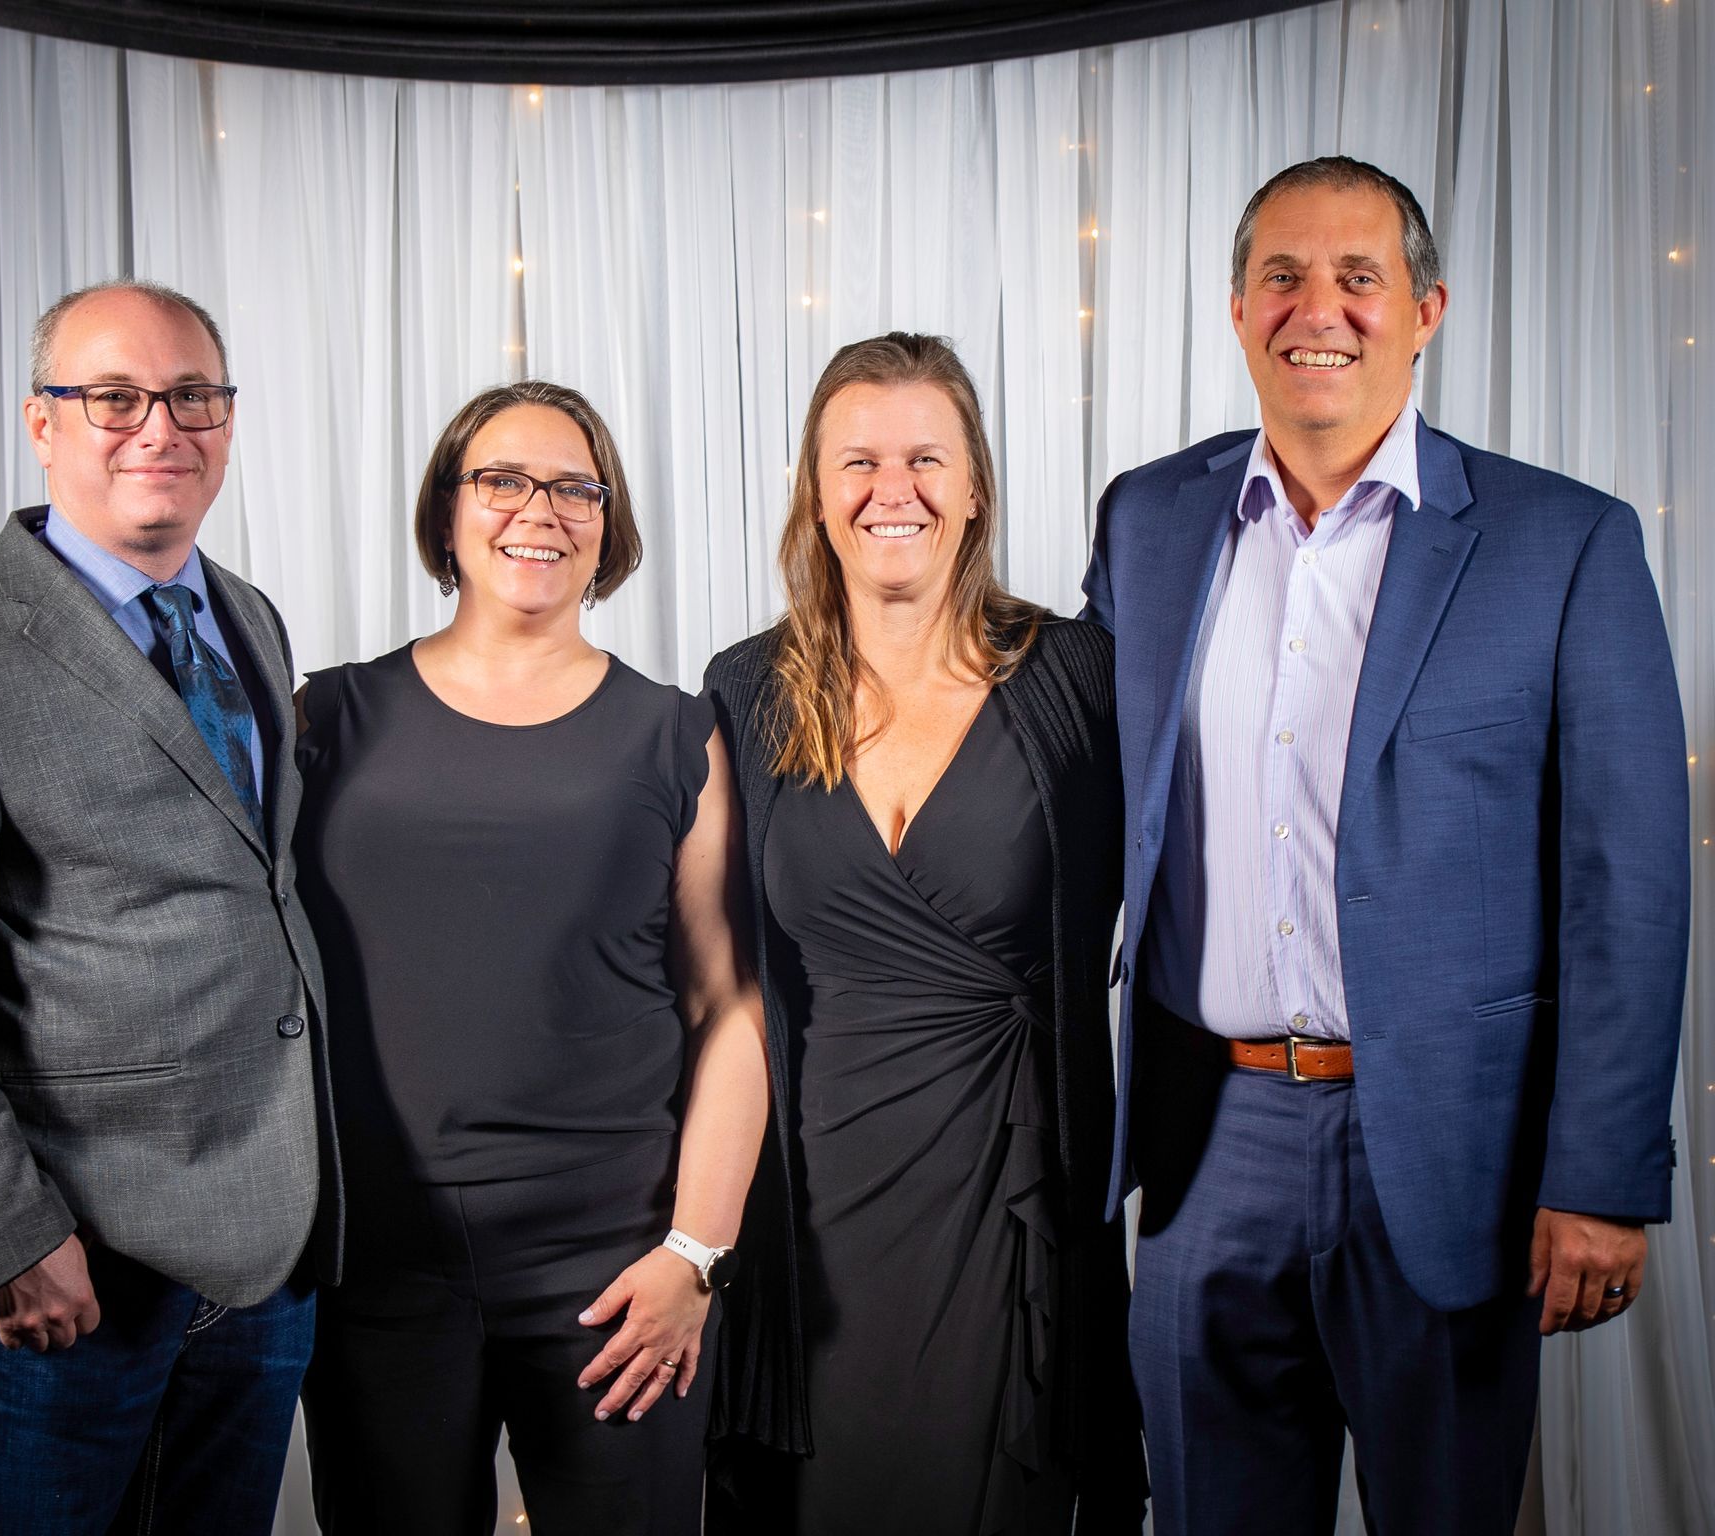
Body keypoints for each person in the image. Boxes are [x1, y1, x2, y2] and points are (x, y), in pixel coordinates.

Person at [1081, 155, 1690, 1534]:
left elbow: (1627, 884)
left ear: (1427, 310)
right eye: (1284, 276)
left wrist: (1597, 1176)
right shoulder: (1149, 520)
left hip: (1449, 1153)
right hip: (1201, 1144)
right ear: (1237, 309)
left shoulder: (1563, 543)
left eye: (1361, 278)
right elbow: (1077, 787)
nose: (1321, 309)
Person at [0, 280, 339, 1533]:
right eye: (113, 396)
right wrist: (7, 1238)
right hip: (63, 1273)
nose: (158, 426)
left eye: (193, 396)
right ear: (41, 422)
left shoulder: (248, 619)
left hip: (261, 1264)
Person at [293, 378, 767, 1534]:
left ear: (608, 524)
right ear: (448, 511)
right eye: (502, 479)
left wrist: (692, 1256)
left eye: (574, 486)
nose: (538, 510)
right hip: (376, 1264)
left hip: (611, 1272)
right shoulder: (327, 717)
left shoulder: (676, 733)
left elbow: (733, 1008)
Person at [704, 332, 1143, 1535]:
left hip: (1013, 1195)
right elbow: (717, 980)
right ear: (814, 492)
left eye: (924, 458)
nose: (891, 490)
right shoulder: (744, 692)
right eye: (857, 460)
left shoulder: (1080, 681)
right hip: (809, 1210)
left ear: (977, 488)